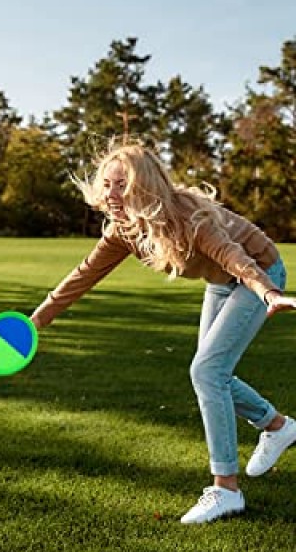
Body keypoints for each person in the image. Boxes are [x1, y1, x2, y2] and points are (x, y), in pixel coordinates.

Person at [29, 141, 296, 524]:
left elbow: (233, 256)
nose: (111, 193)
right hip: (221, 284)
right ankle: (278, 426)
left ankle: (226, 490)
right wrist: (36, 321)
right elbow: (84, 274)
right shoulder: (124, 229)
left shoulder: (187, 215)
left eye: (121, 184)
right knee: (212, 373)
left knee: (207, 372)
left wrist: (268, 292)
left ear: (144, 185)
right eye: (107, 184)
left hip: (257, 272)